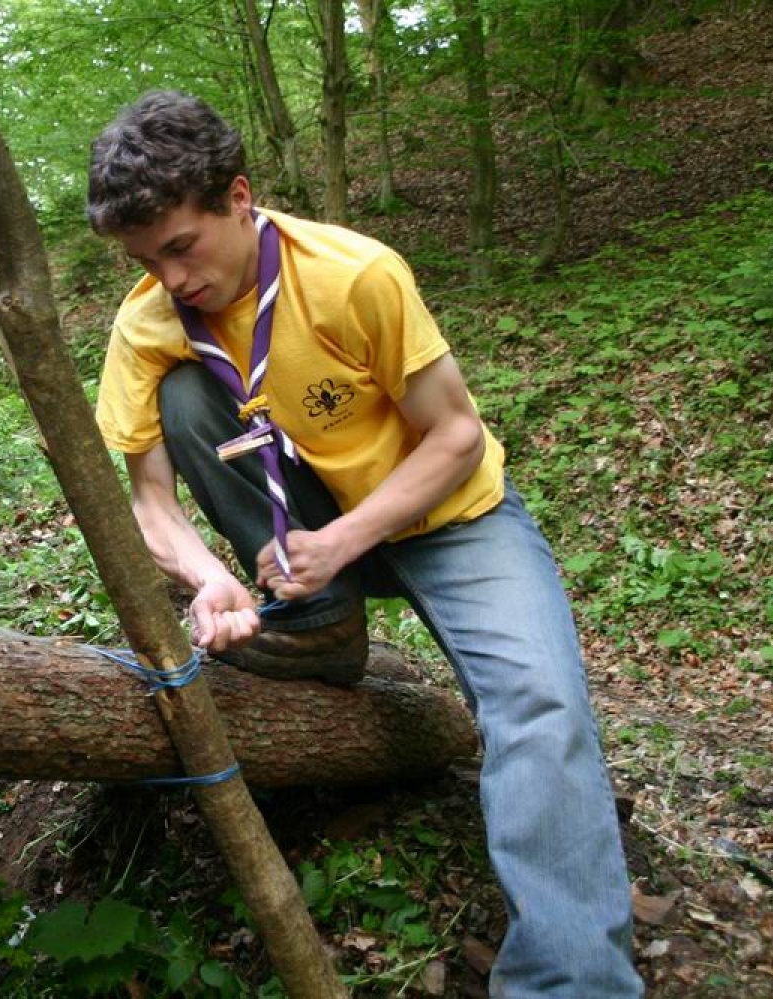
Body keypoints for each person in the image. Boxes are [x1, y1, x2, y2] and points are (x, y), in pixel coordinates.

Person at [87, 90, 641, 997]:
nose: (171, 279)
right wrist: (209, 578)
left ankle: (569, 981)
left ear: (238, 196)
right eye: (145, 260)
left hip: (448, 516)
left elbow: (456, 434)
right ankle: (321, 627)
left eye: (181, 247)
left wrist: (342, 539)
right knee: (187, 398)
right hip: (309, 530)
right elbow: (149, 500)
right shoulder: (147, 323)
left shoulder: (352, 275)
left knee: (541, 706)